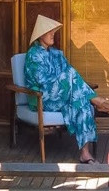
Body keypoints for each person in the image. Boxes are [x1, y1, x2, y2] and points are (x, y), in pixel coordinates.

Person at [23, 15, 99, 164]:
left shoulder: (55, 54)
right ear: (40, 35)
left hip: (59, 96)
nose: (53, 34)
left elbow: (67, 73)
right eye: (49, 32)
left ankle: (85, 153)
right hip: (42, 97)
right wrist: (64, 81)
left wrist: (66, 83)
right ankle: (96, 99)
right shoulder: (33, 55)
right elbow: (42, 82)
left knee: (83, 105)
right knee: (72, 78)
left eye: (53, 32)